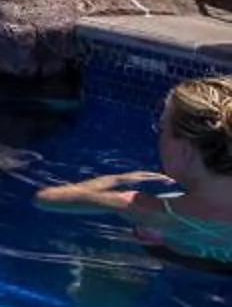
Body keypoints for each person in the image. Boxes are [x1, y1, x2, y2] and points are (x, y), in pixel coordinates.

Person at [39, 76, 232, 269]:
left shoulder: (144, 207)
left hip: (175, 264)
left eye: (162, 129)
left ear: (185, 150)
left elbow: (47, 198)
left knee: (105, 256)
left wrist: (115, 180)